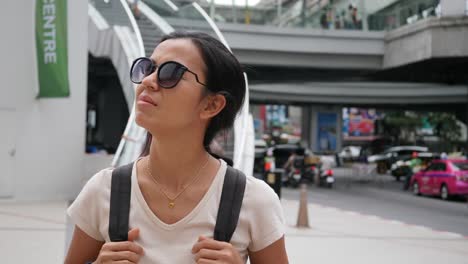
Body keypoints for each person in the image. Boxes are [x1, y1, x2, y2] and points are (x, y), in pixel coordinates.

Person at [65, 32, 288, 264]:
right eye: (147, 68)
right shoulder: (104, 190)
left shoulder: (253, 200)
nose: (149, 81)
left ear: (211, 105)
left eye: (170, 73)